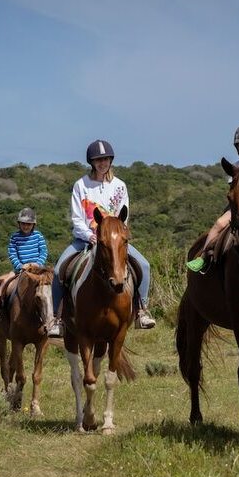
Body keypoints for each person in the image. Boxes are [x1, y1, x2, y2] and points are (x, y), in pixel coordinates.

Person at [48, 139, 156, 337]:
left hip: (114, 241)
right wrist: (89, 236)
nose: (102, 163)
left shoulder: (120, 186)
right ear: (92, 162)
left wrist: (114, 236)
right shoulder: (81, 185)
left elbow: (124, 216)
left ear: (110, 161)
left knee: (145, 266)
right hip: (85, 239)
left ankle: (142, 309)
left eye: (105, 159)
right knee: (58, 271)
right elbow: (77, 217)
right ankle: (57, 319)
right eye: (98, 160)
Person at [186, 123, 239, 272]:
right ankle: (204, 257)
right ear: (237, 149)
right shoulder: (236, 167)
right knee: (218, 223)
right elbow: (235, 191)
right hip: (237, 206)